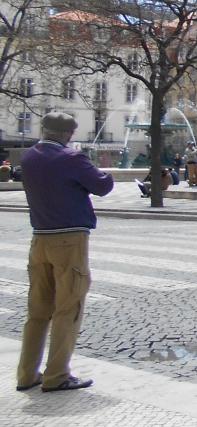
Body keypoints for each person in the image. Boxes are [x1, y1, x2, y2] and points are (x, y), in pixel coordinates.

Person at [16, 112, 114, 393]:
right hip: (69, 239)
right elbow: (103, 185)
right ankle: (57, 374)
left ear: (43, 130)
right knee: (68, 308)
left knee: (37, 310)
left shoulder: (29, 157)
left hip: (39, 238)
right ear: (69, 134)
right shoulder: (72, 158)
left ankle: (26, 374)